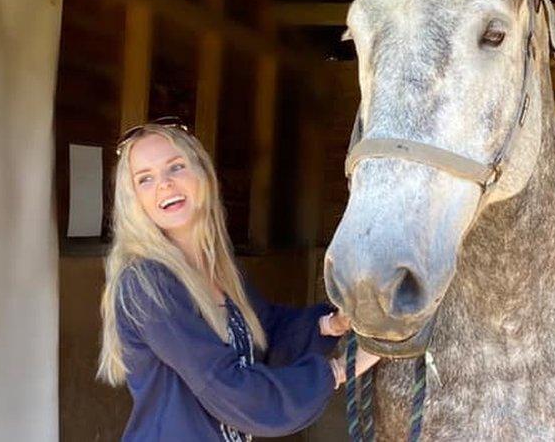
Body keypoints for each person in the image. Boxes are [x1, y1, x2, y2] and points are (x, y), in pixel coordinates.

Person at [97, 118, 379, 441]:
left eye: (175, 167)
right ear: (134, 201)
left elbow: (265, 336)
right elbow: (229, 389)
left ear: (201, 173)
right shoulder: (146, 284)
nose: (164, 184)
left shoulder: (218, 268)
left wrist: (333, 323)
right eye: (144, 179)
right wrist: (339, 370)